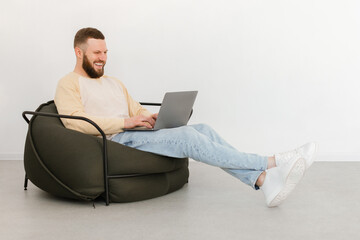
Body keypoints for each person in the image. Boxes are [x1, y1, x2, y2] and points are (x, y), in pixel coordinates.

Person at [55, 27, 317, 207]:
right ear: (79, 52)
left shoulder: (113, 82)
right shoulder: (68, 83)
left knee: (202, 128)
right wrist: (126, 123)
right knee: (187, 136)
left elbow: (134, 108)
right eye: (97, 53)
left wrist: (150, 117)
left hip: (135, 132)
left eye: (105, 53)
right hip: (116, 140)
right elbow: (75, 121)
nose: (102, 58)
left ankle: (262, 181)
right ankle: (272, 162)